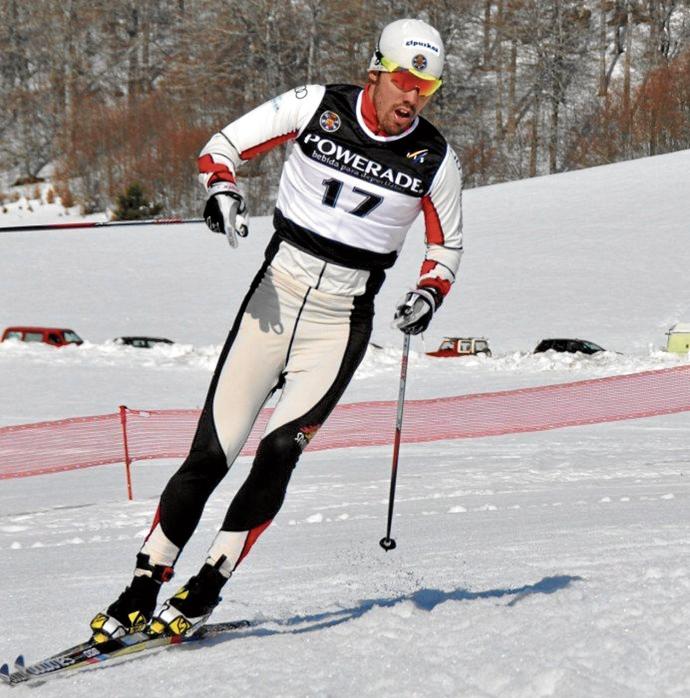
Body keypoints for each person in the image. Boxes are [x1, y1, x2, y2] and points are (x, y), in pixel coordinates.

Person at [90, 17, 464, 641]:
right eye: (403, 80)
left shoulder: (436, 159)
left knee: (279, 452)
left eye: (427, 87)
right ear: (376, 70)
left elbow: (446, 245)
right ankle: (141, 586)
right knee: (212, 454)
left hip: (342, 319)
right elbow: (222, 146)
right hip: (275, 296)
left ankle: (207, 585)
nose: (413, 97)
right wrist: (222, 190)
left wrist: (428, 293)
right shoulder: (316, 105)